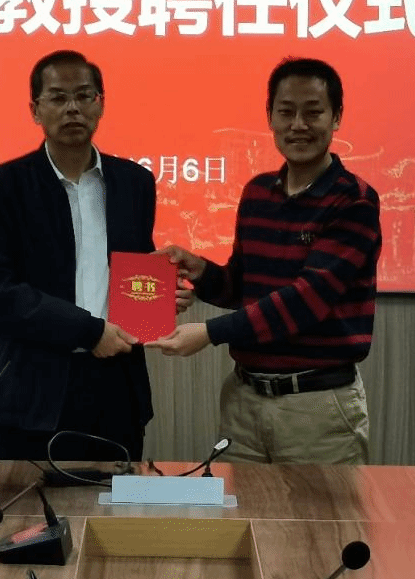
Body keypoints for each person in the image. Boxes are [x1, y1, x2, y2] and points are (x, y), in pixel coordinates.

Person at [147, 57, 381, 465]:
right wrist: (199, 270)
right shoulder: (257, 193)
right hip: (245, 401)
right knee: (239, 510)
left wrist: (210, 333)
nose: (298, 125)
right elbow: (243, 287)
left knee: (322, 512)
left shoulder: (353, 200)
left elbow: (306, 301)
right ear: (270, 116)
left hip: (317, 407)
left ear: (336, 117)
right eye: (286, 112)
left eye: (313, 112)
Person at [0, 50, 187, 462]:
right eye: (58, 97)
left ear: (101, 104)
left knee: (115, 503)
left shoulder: (134, 183)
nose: (72, 108)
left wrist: (160, 296)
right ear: (35, 110)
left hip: (117, 387)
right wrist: (88, 331)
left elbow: (130, 271)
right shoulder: (0, 188)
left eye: (84, 96)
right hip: (33, 390)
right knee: (26, 502)